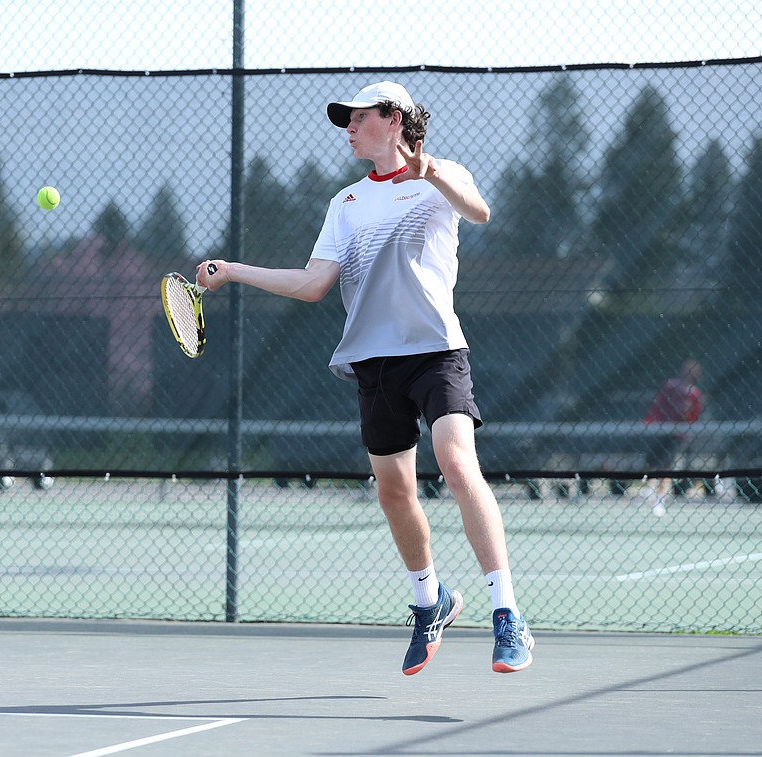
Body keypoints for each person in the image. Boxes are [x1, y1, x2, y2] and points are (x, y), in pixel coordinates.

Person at [195, 81, 533, 675]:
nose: (347, 127)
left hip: (437, 352)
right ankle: (432, 601)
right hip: (374, 363)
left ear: (392, 119)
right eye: (344, 119)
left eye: (357, 117)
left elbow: (480, 212)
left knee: (457, 463)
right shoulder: (345, 203)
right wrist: (234, 272)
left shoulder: (440, 178)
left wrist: (429, 172)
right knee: (394, 492)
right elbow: (312, 285)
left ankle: (506, 615)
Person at [642, 359, 705, 516]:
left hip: (677, 436)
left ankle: (660, 498)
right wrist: (651, 421)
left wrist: (686, 414)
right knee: (651, 463)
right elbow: (658, 405)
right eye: (686, 371)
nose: (688, 374)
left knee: (666, 467)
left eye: (692, 372)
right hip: (661, 430)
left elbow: (694, 415)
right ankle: (648, 491)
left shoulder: (695, 394)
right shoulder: (670, 386)